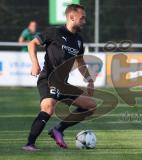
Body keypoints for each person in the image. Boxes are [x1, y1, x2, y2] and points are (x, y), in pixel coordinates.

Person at [22, 4, 96, 151]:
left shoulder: (79, 41)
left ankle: (58, 129)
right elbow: (32, 43)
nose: (84, 22)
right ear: (71, 17)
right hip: (48, 79)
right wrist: (35, 64)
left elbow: (80, 61)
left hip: (63, 84)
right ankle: (30, 144)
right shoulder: (54, 32)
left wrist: (89, 79)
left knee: (90, 106)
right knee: (48, 106)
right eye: (82, 18)